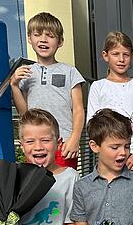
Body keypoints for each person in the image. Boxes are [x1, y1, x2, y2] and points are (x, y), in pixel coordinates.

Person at [10, 12, 85, 168]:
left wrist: (74, 139)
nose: (43, 39)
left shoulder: (70, 71)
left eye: (50, 35)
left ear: (60, 41)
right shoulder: (26, 72)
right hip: (36, 144)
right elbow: (25, 113)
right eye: (37, 34)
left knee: (64, 184)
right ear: (30, 39)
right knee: (35, 187)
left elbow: (78, 109)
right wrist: (14, 85)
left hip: (63, 143)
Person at [87, 31, 133, 173]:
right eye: (116, 54)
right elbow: (92, 123)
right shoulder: (98, 87)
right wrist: (103, 151)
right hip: (107, 156)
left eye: (126, 55)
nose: (121, 59)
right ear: (106, 55)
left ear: (132, 56)